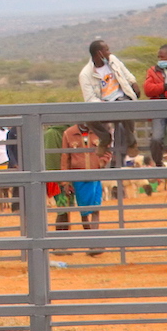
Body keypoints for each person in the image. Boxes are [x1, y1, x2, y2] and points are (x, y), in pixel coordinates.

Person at [78, 41, 140, 167]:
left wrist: (133, 83)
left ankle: (131, 142)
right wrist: (104, 104)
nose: (109, 52)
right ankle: (105, 138)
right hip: (103, 104)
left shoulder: (113, 60)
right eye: (106, 50)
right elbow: (89, 98)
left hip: (121, 98)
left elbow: (126, 73)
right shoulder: (85, 74)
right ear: (99, 53)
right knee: (88, 117)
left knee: (126, 108)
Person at [58, 122, 110, 256]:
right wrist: (65, 180)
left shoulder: (99, 131)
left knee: (96, 207)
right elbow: (65, 157)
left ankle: (95, 241)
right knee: (85, 211)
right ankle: (91, 241)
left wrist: (102, 162)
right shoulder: (69, 133)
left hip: (95, 174)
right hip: (79, 176)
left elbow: (107, 149)